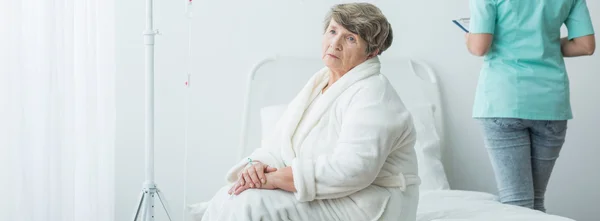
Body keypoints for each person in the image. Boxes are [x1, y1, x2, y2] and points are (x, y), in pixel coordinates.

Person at [188, 3, 421, 221]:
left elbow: (353, 169)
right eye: (332, 31)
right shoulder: (320, 82)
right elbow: (278, 144)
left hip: (368, 202)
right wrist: (256, 167)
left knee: (249, 203)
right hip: (330, 193)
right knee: (227, 196)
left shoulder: (373, 92)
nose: (335, 43)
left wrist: (274, 179)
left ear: (372, 52)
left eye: (350, 38)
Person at [465, 0, 595, 212]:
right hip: (551, 103)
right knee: (535, 201)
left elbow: (479, 46)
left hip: (504, 100)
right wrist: (546, 44)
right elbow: (584, 45)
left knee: (516, 203)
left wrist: (469, 38)